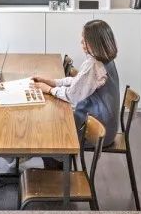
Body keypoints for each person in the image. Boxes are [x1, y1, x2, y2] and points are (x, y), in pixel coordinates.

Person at [33, 20, 121, 169]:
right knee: (51, 125)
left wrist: (48, 89)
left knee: (48, 136)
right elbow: (79, 81)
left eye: (85, 40)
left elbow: (71, 96)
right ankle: (56, 165)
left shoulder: (94, 65)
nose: (81, 42)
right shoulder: (105, 60)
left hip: (99, 131)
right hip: (107, 126)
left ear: (95, 42)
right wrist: (53, 82)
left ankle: (56, 171)